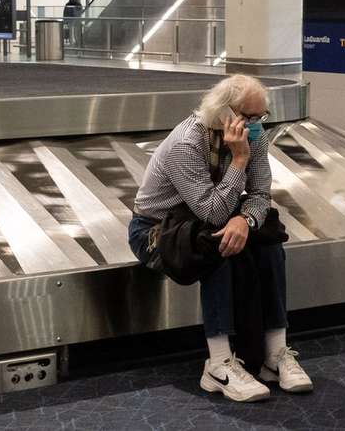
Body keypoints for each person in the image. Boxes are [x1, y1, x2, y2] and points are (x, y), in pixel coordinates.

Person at [128, 74, 313, 403]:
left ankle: (275, 353)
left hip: (212, 219)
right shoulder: (187, 142)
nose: (256, 125)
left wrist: (245, 219)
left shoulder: (253, 137)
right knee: (217, 243)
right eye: (249, 117)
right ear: (223, 112)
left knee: (268, 235)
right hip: (156, 231)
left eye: (261, 117)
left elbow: (259, 195)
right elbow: (211, 213)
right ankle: (218, 363)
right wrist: (239, 160)